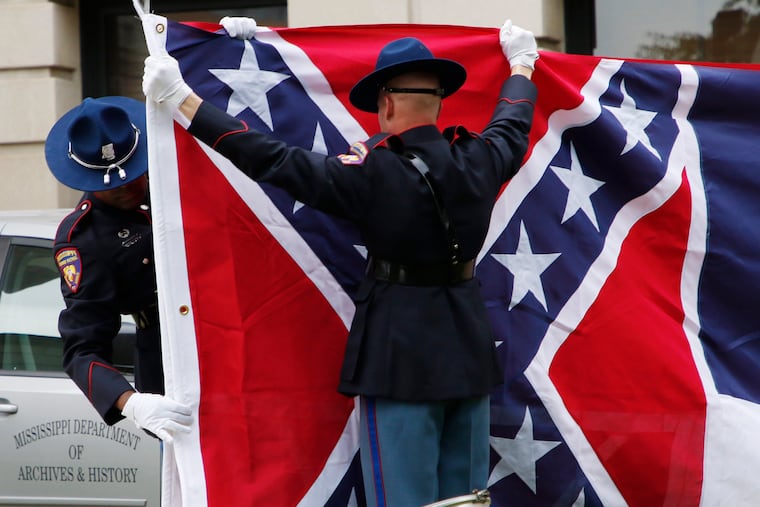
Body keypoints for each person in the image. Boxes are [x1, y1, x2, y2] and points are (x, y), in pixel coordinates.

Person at [142, 18, 538, 505]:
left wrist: (184, 101)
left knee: (404, 499)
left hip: (399, 357)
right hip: (470, 351)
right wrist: (522, 62)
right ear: (437, 101)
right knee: (466, 501)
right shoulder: (481, 157)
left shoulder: (373, 173)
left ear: (387, 103)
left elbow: (271, 159)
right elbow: (514, 118)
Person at [45, 96, 193, 441]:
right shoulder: (84, 239)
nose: (127, 188)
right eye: (112, 186)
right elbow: (83, 348)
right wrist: (132, 403)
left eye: (132, 176)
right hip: (170, 360)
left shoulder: (171, 183)